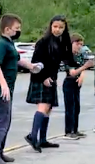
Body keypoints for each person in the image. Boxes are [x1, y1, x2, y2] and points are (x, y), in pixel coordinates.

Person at [0, 14, 40, 164]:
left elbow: (16, 59)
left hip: (7, 88)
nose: (18, 31)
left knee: (6, 119)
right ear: (7, 29)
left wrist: (31, 66)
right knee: (0, 120)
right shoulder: (1, 44)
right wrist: (3, 84)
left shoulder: (9, 44)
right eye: (17, 29)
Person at [25, 16, 76, 153]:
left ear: (65, 28)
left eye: (61, 27)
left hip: (51, 78)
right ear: (50, 26)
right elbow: (35, 62)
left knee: (48, 109)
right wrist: (43, 77)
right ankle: (32, 136)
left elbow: (68, 59)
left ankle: (42, 139)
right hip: (41, 77)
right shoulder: (44, 42)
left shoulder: (61, 42)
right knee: (43, 106)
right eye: (55, 27)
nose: (57, 29)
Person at [63, 33, 91, 139]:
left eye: (81, 44)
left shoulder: (78, 55)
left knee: (77, 107)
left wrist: (82, 74)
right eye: (78, 44)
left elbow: (81, 67)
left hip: (77, 84)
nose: (79, 46)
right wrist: (84, 67)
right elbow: (72, 72)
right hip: (69, 82)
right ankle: (68, 131)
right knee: (70, 107)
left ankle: (75, 129)